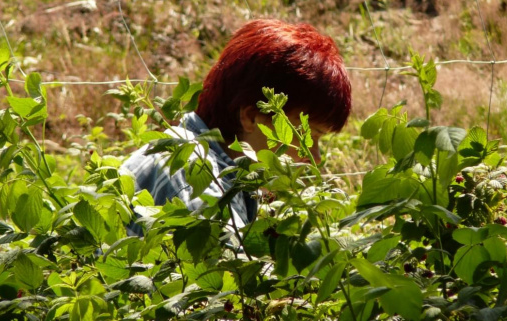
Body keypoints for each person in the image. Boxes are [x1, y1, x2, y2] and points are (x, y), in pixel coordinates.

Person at [120, 19, 352, 233]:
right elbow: (231, 274)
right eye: (307, 135)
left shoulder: (217, 168)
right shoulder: (197, 179)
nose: (316, 157)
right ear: (252, 117)